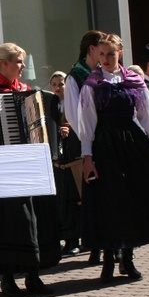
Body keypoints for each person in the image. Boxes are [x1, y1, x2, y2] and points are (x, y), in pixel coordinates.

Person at [78, 33, 149, 281]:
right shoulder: (92, 84)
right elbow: (87, 125)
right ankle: (108, 258)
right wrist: (88, 158)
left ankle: (127, 259)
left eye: (111, 54)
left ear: (120, 54)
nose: (106, 59)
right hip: (104, 147)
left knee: (132, 198)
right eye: (102, 54)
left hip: (132, 144)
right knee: (110, 200)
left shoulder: (134, 81)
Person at [0, 43, 61, 296]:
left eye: (22, 61)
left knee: (33, 217)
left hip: (29, 167)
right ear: (5, 64)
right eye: (18, 61)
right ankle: (8, 278)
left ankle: (33, 275)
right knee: (10, 221)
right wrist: (4, 151)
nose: (22, 66)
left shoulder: (28, 93)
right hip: (5, 168)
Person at [64, 30, 105, 265]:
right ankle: (95, 247)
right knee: (90, 196)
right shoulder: (76, 76)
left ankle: (113, 243)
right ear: (92, 48)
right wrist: (88, 141)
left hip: (106, 140)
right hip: (88, 143)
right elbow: (72, 113)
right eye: (101, 49)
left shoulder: (103, 72)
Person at [51, 70, 82, 255]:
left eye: (61, 84)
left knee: (76, 198)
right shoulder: (52, 105)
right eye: (54, 84)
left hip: (74, 157)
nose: (57, 88)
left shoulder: (72, 103)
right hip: (60, 160)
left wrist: (69, 127)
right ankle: (67, 239)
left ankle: (77, 239)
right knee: (63, 200)